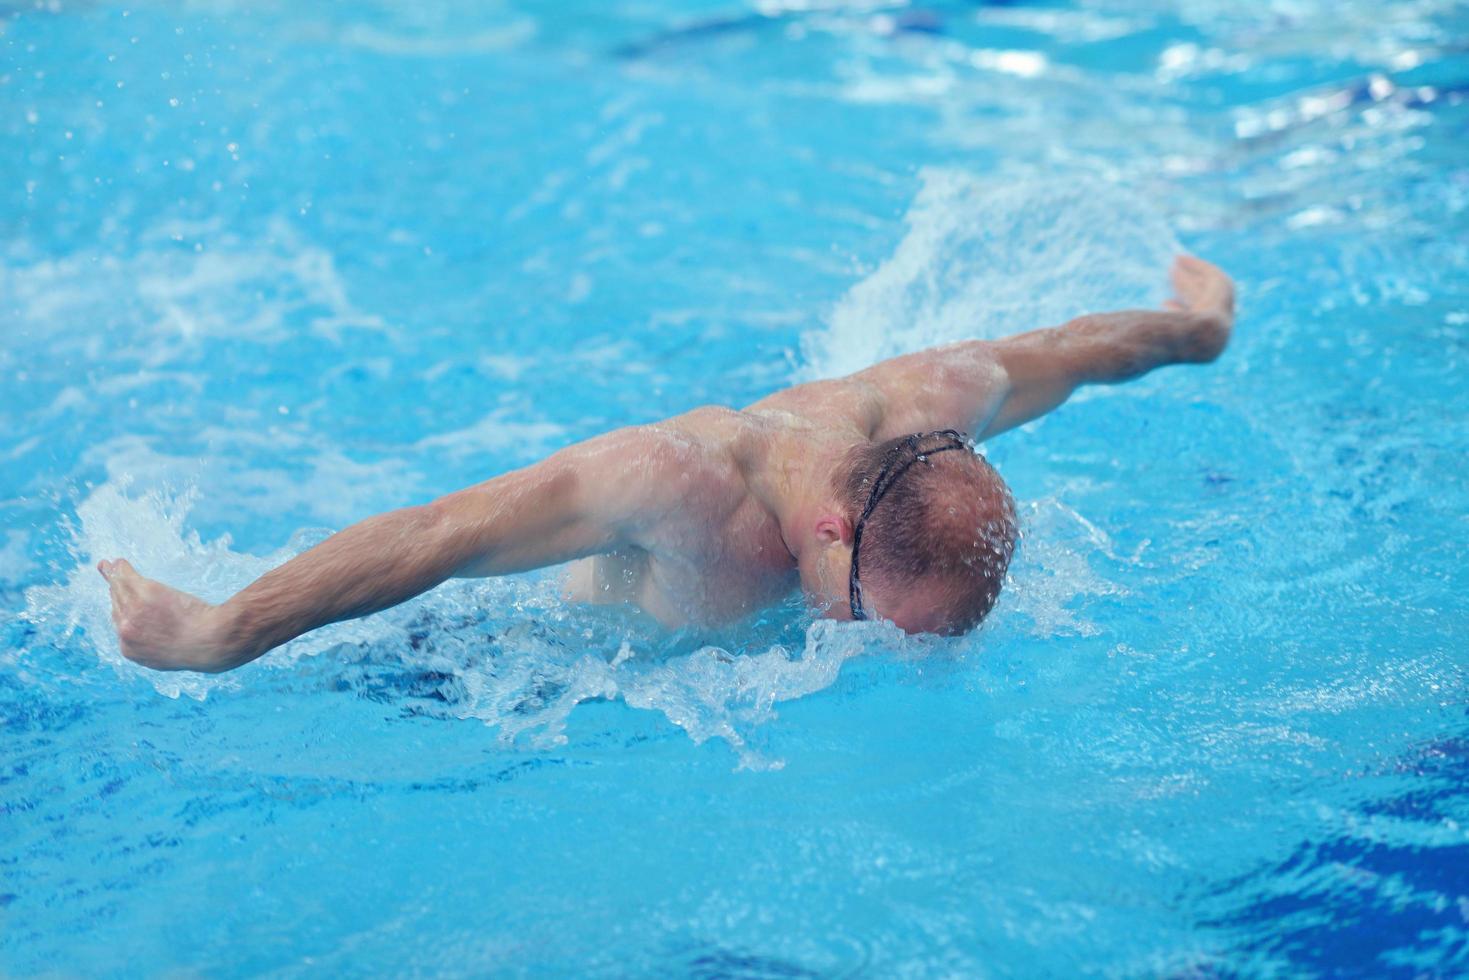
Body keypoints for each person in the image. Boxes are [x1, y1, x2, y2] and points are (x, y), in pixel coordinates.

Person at [99, 255, 1235, 673]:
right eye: (879, 627)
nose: (882, 656)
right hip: (497, 670)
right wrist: (220, 633)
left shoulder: (933, 409)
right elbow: (438, 532)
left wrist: (1197, 332)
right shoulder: (675, 484)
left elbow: (1079, 352)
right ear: (831, 535)